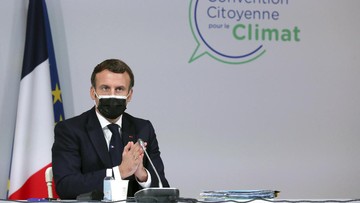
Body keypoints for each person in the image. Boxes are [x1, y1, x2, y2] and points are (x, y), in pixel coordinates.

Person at [52, 59, 169, 199]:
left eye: (119, 89)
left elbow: (163, 190)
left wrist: (142, 175)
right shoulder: (70, 130)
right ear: (93, 92)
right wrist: (119, 172)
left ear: (129, 95)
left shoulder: (143, 129)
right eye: (105, 88)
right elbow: (66, 186)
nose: (112, 95)